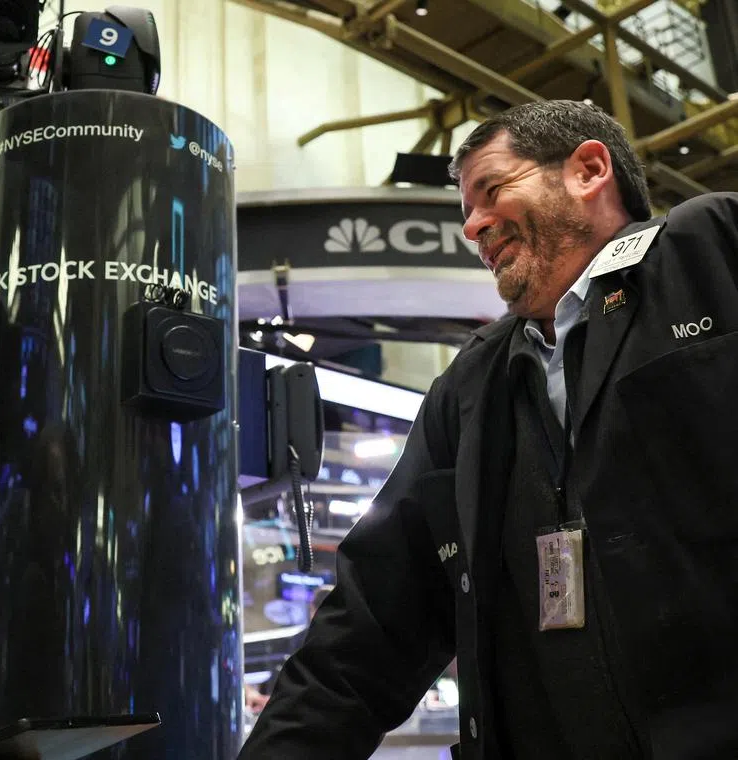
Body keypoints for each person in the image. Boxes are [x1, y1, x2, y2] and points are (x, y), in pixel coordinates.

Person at [238, 99, 738, 760]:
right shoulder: (470, 386)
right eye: (466, 210)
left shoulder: (711, 250)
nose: (472, 226)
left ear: (589, 170)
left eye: (492, 189)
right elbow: (369, 626)